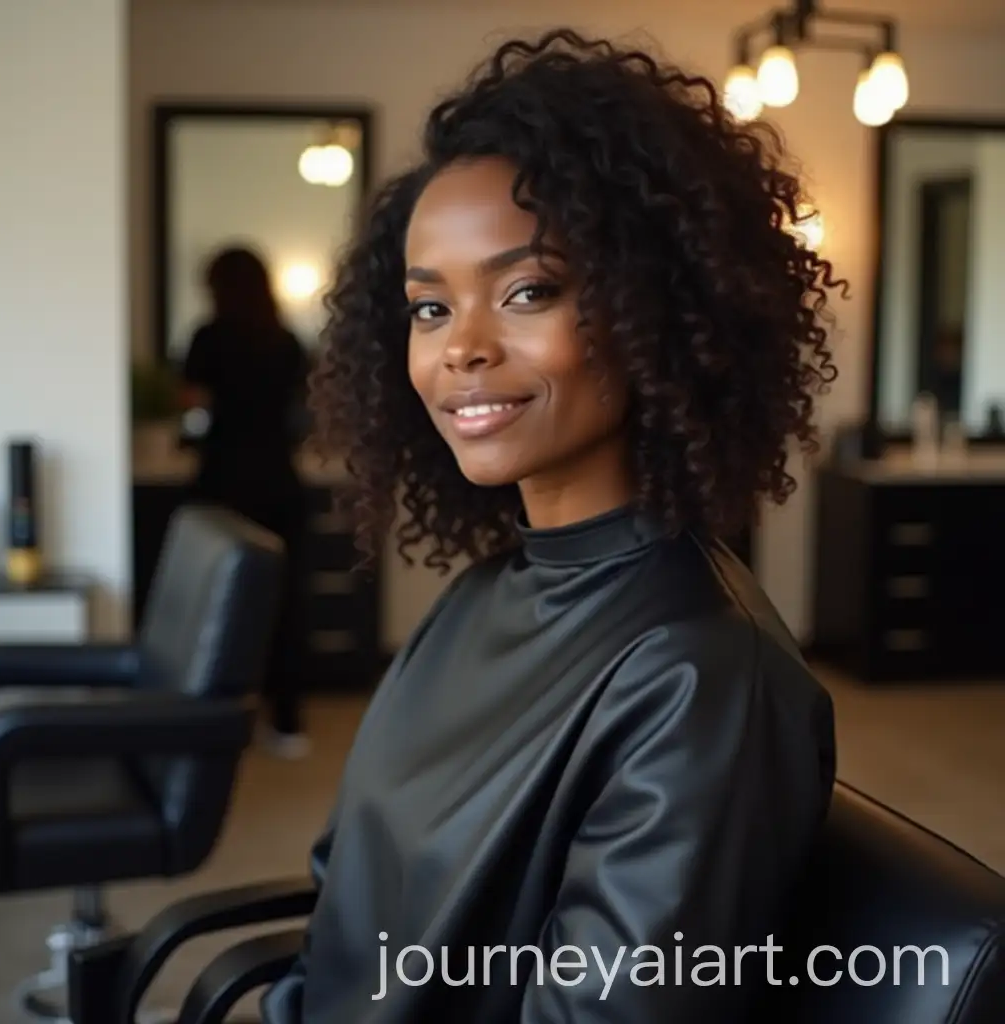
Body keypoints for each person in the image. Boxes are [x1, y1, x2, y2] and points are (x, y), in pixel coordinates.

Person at [263, 28, 843, 1021]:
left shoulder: (698, 678)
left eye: (528, 291)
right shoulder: (479, 597)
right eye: (429, 309)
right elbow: (347, 886)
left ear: (654, 307)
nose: (462, 351)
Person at [180, 245, 312, 757]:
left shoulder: (208, 337)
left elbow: (191, 403)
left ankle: (216, 720)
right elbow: (300, 410)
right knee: (285, 605)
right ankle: (288, 724)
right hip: (279, 482)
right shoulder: (285, 341)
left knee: (217, 603)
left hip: (223, 483)